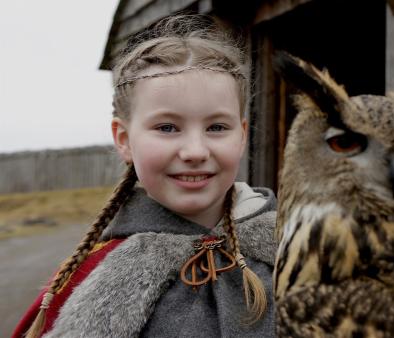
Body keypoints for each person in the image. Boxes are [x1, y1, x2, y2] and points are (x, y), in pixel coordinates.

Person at [12, 15, 277, 338]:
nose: (195, 151)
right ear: (124, 140)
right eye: (167, 127)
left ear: (242, 135)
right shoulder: (93, 279)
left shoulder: (297, 250)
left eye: (217, 127)